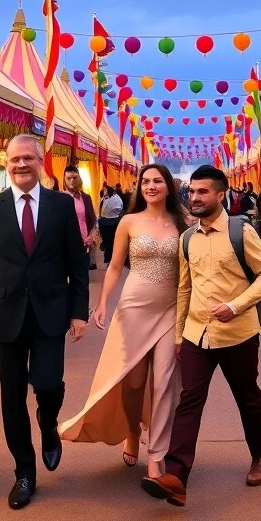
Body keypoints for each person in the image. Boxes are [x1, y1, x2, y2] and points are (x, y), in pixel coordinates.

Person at [0, 135, 89, 510]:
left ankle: (49, 424)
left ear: (40, 161)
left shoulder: (62, 206)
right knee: (12, 398)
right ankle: (24, 473)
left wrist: (79, 311)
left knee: (48, 384)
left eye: (28, 159)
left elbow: (77, 265)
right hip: (6, 314)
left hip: (51, 311)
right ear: (8, 163)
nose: (20, 165)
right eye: (15, 159)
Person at [141, 165, 261, 507]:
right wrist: (178, 334)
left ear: (221, 195)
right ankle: (176, 476)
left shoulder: (239, 231)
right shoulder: (187, 238)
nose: (195, 197)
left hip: (238, 333)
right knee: (189, 401)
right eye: (192, 191)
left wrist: (237, 305)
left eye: (203, 192)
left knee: (247, 396)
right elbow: (185, 288)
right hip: (196, 335)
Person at [60, 164, 186, 479]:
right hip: (133, 309)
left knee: (165, 382)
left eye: (158, 181)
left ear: (168, 186)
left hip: (171, 310)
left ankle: (157, 456)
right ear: (139, 187)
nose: (152, 186)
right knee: (132, 383)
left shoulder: (183, 223)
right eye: (146, 181)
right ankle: (132, 431)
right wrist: (102, 303)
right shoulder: (128, 222)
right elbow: (115, 266)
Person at [63, 165, 97, 271]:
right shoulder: (59, 198)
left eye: (75, 178)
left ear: (79, 179)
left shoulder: (86, 198)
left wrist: (91, 237)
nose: (72, 181)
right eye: (69, 178)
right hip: (65, 247)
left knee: (82, 280)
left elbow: (93, 219)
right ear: (64, 180)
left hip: (84, 246)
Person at [97, 184, 124, 264]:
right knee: (111, 241)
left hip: (109, 222)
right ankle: (111, 256)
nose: (103, 192)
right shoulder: (112, 198)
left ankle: (109, 257)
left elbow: (103, 210)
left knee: (109, 241)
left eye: (105, 190)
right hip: (110, 221)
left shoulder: (110, 199)